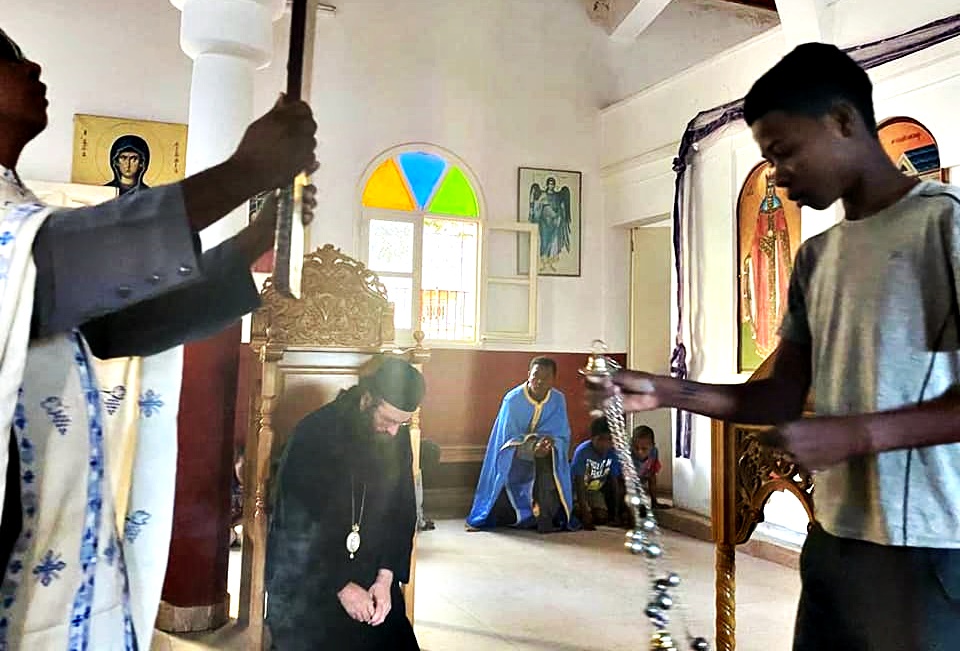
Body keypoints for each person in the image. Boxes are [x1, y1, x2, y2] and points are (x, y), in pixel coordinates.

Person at [589, 43, 960, 651]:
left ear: (842, 120)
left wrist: (855, 434)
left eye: (784, 152)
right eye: (768, 159)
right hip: (834, 542)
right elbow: (780, 395)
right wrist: (665, 390)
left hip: (927, 553)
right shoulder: (817, 257)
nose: (779, 176)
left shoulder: (943, 226)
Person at [0, 26, 317, 648]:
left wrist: (262, 237)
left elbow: (115, 324)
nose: (32, 65)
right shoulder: (26, 235)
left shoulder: (19, 209)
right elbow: (60, 262)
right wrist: (246, 171)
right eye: (8, 58)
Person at [266, 357, 424, 651]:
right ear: (367, 400)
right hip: (311, 576)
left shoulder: (396, 438)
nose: (394, 431)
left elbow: (402, 512)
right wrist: (341, 586)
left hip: (371, 574)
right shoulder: (314, 434)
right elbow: (295, 527)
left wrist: (385, 579)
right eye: (389, 420)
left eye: (401, 423)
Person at [466, 357, 576, 533]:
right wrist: (532, 448)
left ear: (553, 380)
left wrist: (548, 442)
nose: (539, 381)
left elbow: (561, 433)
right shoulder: (513, 399)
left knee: (551, 458)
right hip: (514, 452)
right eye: (536, 376)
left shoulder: (558, 399)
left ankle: (545, 515)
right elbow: (507, 439)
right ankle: (521, 513)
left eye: (546, 377)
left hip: (544, 449)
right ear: (528, 375)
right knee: (504, 502)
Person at [570, 417, 624, 530]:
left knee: (601, 517)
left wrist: (616, 514)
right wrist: (585, 512)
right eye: (601, 439)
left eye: (609, 439)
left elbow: (615, 482)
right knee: (579, 512)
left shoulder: (613, 453)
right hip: (576, 491)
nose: (605, 444)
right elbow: (579, 483)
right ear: (592, 438)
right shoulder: (583, 452)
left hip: (595, 491)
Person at [630, 425, 663, 509]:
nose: (639, 452)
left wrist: (649, 474)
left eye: (644, 449)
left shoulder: (654, 452)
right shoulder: (628, 453)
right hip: (627, 479)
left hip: (642, 475)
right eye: (636, 448)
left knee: (652, 477)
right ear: (631, 444)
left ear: (652, 446)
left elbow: (653, 469)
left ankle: (654, 502)